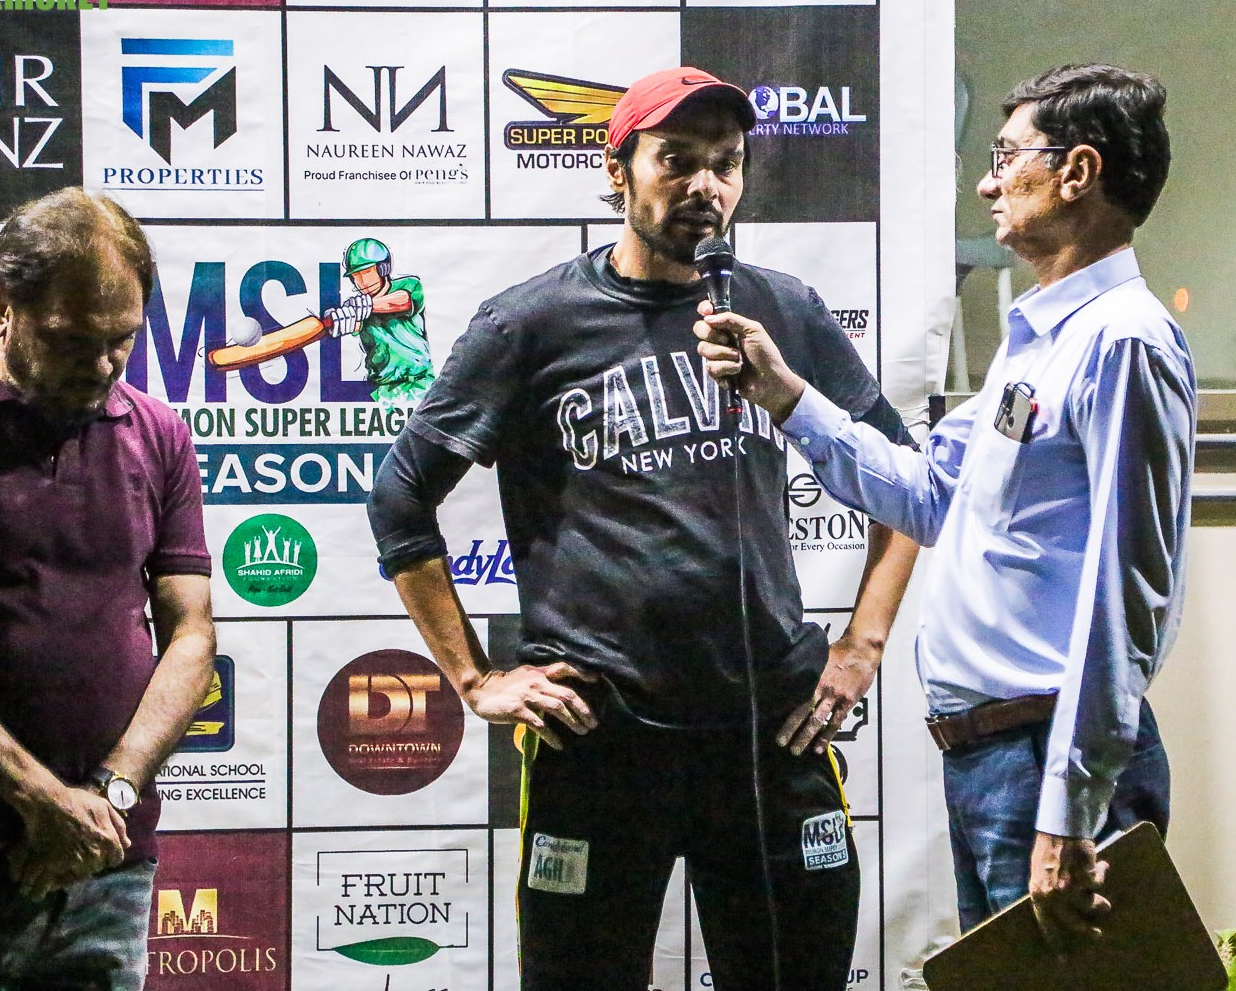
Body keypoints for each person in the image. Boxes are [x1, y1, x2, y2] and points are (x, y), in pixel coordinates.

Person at [367, 66, 920, 990]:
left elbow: (905, 482)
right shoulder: (531, 323)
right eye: (677, 160)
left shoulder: (781, 310)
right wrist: (475, 678)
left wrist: (862, 645)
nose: (706, 185)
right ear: (617, 168)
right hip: (601, 735)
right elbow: (400, 498)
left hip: (769, 728)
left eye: (726, 164)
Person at [694, 64, 1196, 941]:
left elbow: (1131, 596)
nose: (987, 183)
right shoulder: (1040, 337)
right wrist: (786, 396)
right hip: (992, 762)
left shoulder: (1125, 342)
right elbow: (929, 496)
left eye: (1006, 157)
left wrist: (1070, 809)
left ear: (1077, 172)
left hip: (1047, 763)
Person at [0, 188, 218, 990]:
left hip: (107, 858)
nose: (105, 365)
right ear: (0, 306)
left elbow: (191, 633)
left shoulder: (160, 433)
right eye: (73, 340)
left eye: (123, 339)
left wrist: (110, 793)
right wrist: (41, 800)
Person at [324, 236, 436, 403]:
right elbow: (354, 324)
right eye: (356, 276)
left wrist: (366, 306)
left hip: (420, 383)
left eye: (367, 272)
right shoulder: (356, 307)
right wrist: (334, 321)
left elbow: (402, 300)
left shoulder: (410, 285)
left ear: (383, 269)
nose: (362, 282)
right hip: (382, 389)